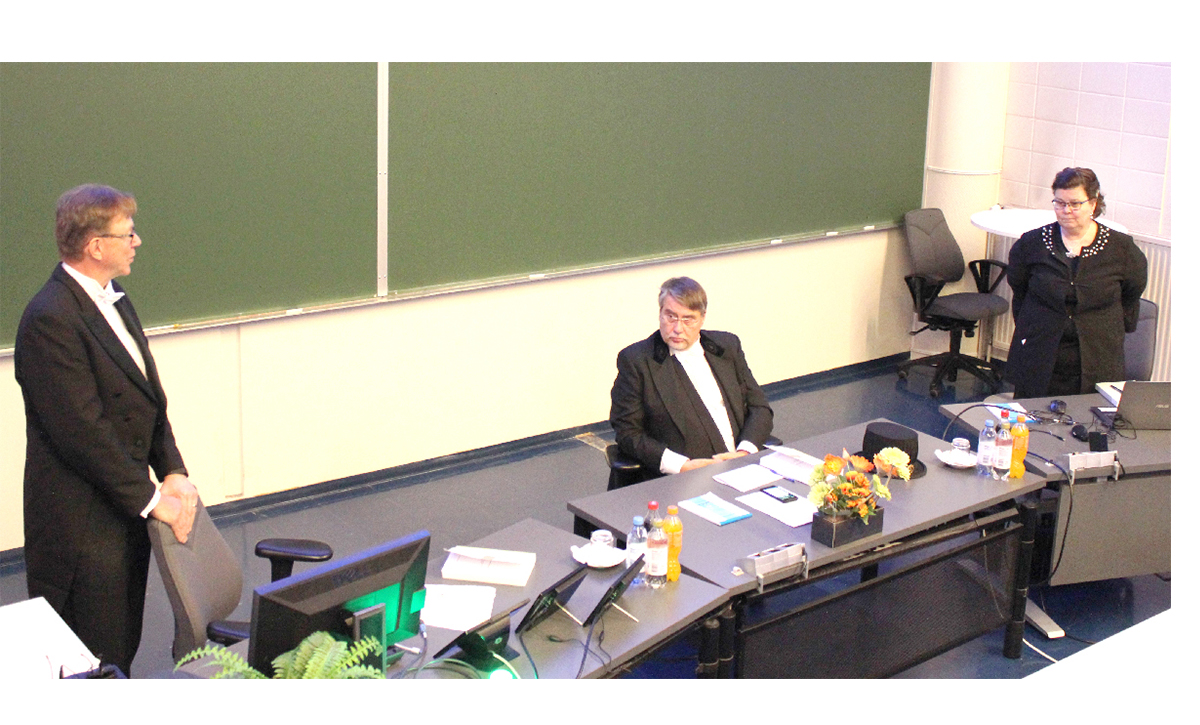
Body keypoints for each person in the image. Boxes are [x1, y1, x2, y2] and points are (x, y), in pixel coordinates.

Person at [14, 184, 199, 676]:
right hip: (80, 527)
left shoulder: (116, 299)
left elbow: (148, 396)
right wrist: (153, 499)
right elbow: (84, 433)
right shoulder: (49, 319)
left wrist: (173, 469)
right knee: (90, 660)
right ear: (96, 246)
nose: (137, 242)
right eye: (127, 234)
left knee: (121, 643)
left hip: (121, 511)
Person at [609, 276, 773, 485]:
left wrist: (745, 452)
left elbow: (759, 407)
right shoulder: (636, 361)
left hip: (742, 466)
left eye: (688, 319)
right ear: (660, 313)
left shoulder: (727, 347)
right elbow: (628, 433)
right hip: (682, 479)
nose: (678, 328)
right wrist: (681, 466)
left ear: (702, 318)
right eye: (671, 317)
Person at [1004, 167, 1148, 398]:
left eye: (1074, 204)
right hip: (1040, 353)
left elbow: (1132, 292)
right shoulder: (1031, 244)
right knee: (1032, 416)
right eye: (1059, 203)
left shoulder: (1121, 249)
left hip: (1099, 357)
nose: (1066, 211)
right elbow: (1019, 288)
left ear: (1093, 203)